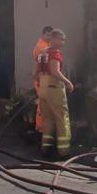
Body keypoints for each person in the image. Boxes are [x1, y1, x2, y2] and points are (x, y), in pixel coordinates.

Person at [37, 29, 74, 158]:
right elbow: (55, 71)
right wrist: (68, 82)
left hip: (43, 88)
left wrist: (41, 82)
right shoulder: (55, 53)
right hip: (54, 88)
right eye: (61, 39)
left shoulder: (42, 53)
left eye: (64, 40)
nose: (63, 42)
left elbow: (35, 72)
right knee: (62, 119)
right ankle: (64, 151)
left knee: (47, 120)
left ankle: (45, 148)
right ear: (53, 39)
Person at [32, 26, 54, 134]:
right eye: (48, 35)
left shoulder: (47, 46)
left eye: (52, 35)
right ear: (43, 35)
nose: (50, 37)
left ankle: (43, 127)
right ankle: (41, 128)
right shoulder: (41, 48)